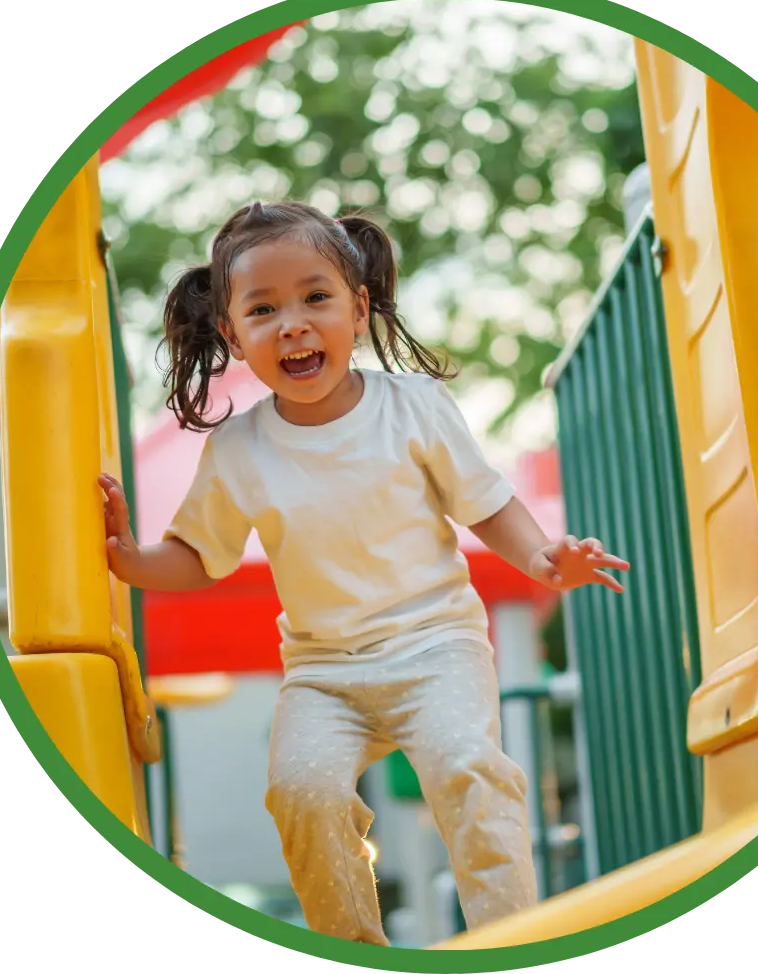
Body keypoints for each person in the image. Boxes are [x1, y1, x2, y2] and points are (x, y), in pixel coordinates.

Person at [98, 200, 630, 947]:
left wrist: (544, 559)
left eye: (316, 298)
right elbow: (196, 555)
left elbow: (487, 503)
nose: (293, 324)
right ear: (232, 335)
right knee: (301, 791)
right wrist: (126, 557)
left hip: (436, 649)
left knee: (468, 766)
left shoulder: (413, 408)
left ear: (358, 306)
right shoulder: (239, 449)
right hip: (324, 672)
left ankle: (513, 942)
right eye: (263, 309)